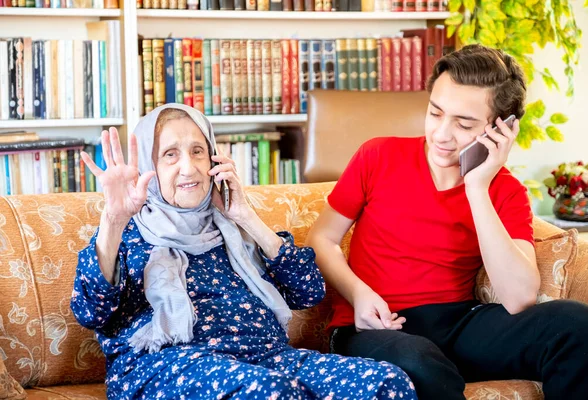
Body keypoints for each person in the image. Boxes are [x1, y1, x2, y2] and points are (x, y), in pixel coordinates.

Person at [306, 44, 588, 400]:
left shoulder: (504, 190)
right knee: (418, 361)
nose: (442, 135)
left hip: (458, 322)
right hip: (375, 325)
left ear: (500, 129)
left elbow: (519, 298)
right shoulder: (378, 155)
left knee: (576, 324)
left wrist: (477, 186)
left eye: (463, 124)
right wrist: (358, 294)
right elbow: (321, 239)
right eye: (435, 113)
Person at [70, 103, 417, 400]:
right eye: (169, 155)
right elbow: (91, 312)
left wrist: (246, 217)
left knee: (387, 384)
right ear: (148, 167)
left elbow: (309, 290)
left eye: (197, 151)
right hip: (166, 366)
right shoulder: (128, 234)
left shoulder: (236, 229)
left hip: (265, 357)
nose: (188, 168)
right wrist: (112, 221)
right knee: (268, 392)